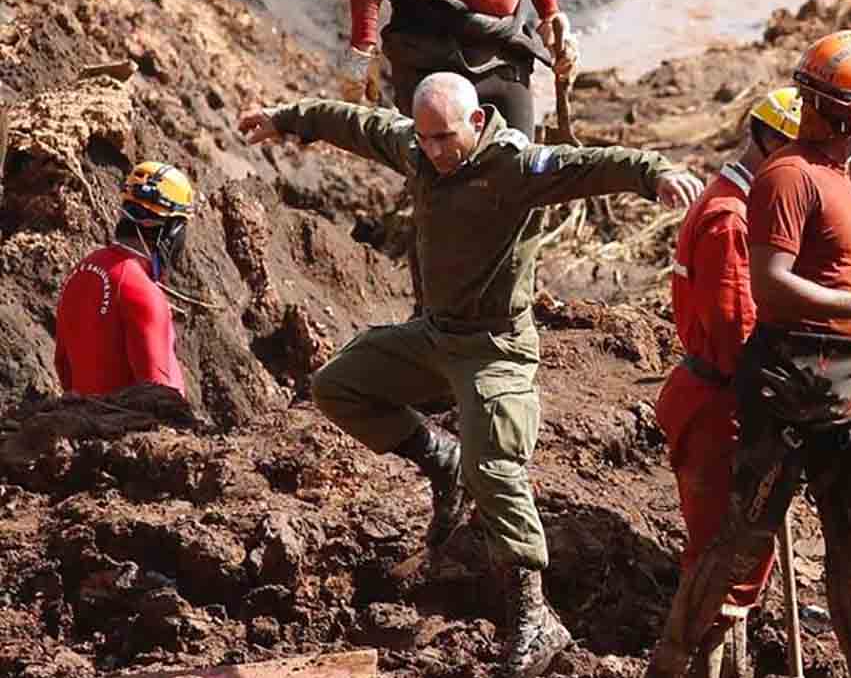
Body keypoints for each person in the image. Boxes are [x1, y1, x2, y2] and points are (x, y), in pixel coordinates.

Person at [238, 72, 703, 678]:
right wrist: (285, 117)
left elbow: (592, 164)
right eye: (425, 138)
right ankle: (442, 463)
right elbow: (357, 124)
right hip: (434, 337)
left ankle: (534, 616)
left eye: (445, 138)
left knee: (496, 468)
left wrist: (655, 174)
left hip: (495, 349)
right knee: (338, 386)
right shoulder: (416, 147)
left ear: (478, 122)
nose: (434, 150)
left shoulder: (516, 166)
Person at [643, 31, 851, 678]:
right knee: (738, 544)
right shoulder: (790, 176)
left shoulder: (836, 173)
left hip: (847, 385)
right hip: (795, 380)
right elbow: (769, 286)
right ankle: (672, 664)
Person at [653, 87, 799, 678]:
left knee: (731, 555)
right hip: (721, 409)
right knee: (723, 558)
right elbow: (738, 333)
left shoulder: (733, 204)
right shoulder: (731, 220)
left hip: (715, 398)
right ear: (771, 143)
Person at [336, 0, 578, 137]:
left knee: (518, 172)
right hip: (428, 55)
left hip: (505, 56)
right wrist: (360, 54)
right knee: (438, 176)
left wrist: (551, 14)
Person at [54, 161, 191, 399]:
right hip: (131, 422)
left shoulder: (82, 270)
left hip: (83, 418)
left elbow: (63, 367)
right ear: (172, 230)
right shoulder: (144, 294)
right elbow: (160, 399)